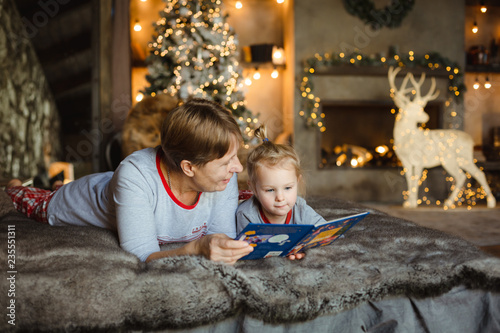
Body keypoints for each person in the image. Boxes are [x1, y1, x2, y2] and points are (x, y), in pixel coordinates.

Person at [5, 98, 253, 264]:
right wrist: (196, 248)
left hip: (118, 190)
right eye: (226, 162)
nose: (238, 167)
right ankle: (23, 185)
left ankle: (57, 184)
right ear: (189, 167)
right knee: (28, 198)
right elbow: (142, 256)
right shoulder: (135, 175)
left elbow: (221, 238)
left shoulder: (222, 177)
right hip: (77, 199)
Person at [236, 125, 325, 260]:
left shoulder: (299, 207)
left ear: (297, 182)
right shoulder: (246, 215)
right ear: (253, 188)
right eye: (270, 190)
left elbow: (323, 230)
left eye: (288, 188)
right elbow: (245, 251)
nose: (280, 197)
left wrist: (304, 247)